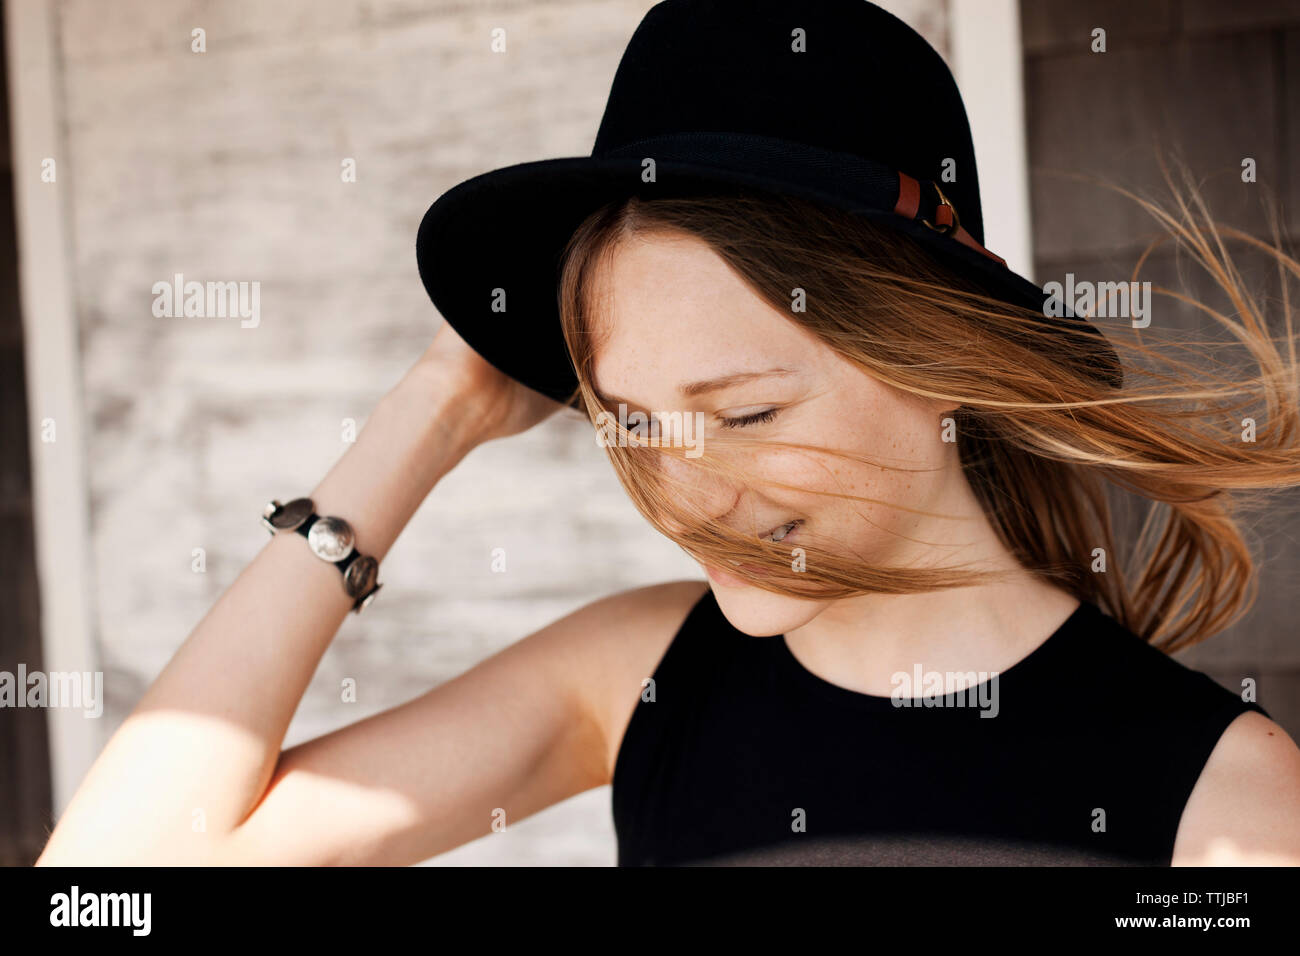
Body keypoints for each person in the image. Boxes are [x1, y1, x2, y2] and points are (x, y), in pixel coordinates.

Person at [36, 0, 1300, 866]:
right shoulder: (640, 673)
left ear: (944, 363)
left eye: (745, 411)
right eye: (629, 421)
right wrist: (430, 415)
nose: (681, 491)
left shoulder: (1224, 795)